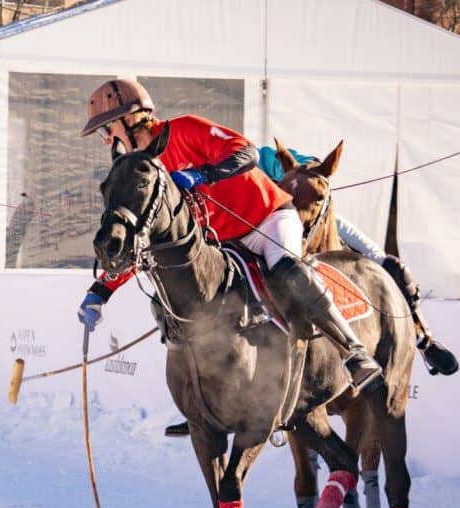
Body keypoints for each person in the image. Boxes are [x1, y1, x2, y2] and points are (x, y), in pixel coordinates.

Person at [77, 79, 383, 438]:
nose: (104, 138)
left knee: (287, 271)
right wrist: (102, 290)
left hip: (267, 218)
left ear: (131, 120)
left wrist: (202, 174)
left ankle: (354, 353)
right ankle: (208, 407)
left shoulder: (185, 129)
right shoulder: (145, 171)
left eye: (106, 128)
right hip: (221, 242)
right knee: (189, 306)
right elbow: (142, 238)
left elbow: (247, 154)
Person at [258, 145, 458, 376]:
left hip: (314, 216)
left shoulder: (265, 156)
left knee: (389, 264)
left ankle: (425, 340)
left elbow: (313, 165)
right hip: (272, 227)